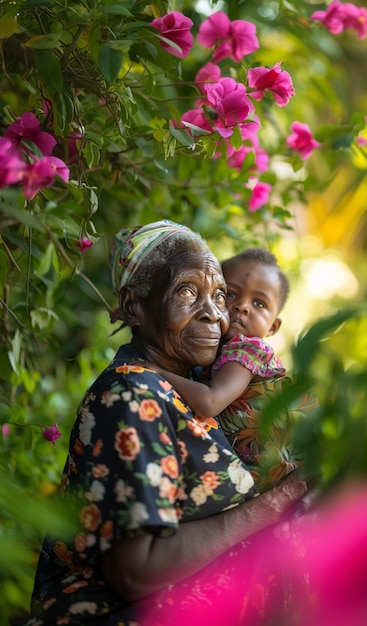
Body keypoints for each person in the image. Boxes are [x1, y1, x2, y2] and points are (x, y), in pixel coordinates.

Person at [24, 220, 312, 626]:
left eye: (218, 295)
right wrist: (273, 504)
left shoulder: (187, 391)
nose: (216, 314)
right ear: (134, 306)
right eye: (188, 292)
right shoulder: (132, 393)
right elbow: (137, 573)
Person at [148, 248, 305, 492]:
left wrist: (158, 372)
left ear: (273, 326)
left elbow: (210, 402)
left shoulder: (248, 350)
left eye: (259, 303)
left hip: (274, 477)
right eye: (230, 294)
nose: (242, 307)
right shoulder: (214, 348)